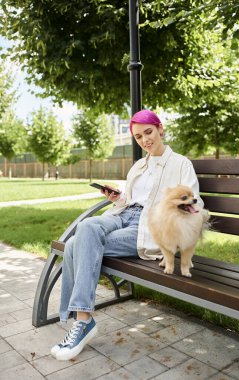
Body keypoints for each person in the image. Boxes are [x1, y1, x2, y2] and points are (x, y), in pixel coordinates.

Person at [51, 109, 203, 361]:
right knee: (85, 228)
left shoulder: (180, 164)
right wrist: (119, 198)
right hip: (123, 216)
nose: (145, 140)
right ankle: (83, 320)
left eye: (148, 132)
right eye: (138, 136)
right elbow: (133, 201)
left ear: (160, 129)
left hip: (149, 228)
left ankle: (81, 321)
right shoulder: (138, 166)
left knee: (75, 244)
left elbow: (194, 205)